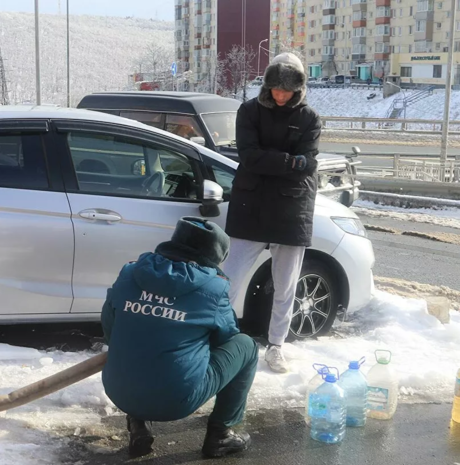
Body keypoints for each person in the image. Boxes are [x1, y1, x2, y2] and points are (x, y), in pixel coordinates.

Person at [101, 217, 258, 459]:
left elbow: (110, 326)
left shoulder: (130, 272)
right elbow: (227, 339)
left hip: (118, 390)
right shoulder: (213, 289)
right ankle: (221, 434)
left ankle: (137, 423)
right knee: (246, 347)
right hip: (176, 401)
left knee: (140, 340)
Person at [221, 53, 321, 374]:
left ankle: (276, 345)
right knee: (229, 277)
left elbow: (310, 164)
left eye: (287, 90)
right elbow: (249, 156)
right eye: (275, 88)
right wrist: (290, 162)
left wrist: (278, 162)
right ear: (267, 85)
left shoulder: (310, 118)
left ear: (297, 89)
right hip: (251, 204)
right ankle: (217, 334)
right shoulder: (249, 110)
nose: (280, 95)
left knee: (286, 284)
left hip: (292, 209)